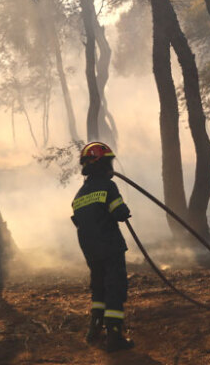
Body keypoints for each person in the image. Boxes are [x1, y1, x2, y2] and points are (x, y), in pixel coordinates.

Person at [72, 141, 134, 351]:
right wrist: (123, 210)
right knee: (115, 289)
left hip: (91, 251)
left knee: (98, 288)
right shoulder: (108, 185)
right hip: (110, 247)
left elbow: (81, 221)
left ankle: (94, 329)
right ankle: (115, 336)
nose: (111, 167)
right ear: (100, 163)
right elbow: (119, 213)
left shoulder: (79, 194)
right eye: (108, 162)